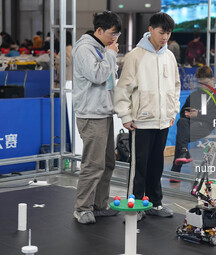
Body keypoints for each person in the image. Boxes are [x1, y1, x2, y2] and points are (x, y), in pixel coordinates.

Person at [114, 12, 181, 221]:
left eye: (168, 33)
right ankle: (133, 206)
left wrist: (173, 111)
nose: (165, 37)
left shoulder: (169, 55)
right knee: (139, 166)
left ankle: (155, 203)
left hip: (163, 121)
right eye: (162, 32)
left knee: (156, 164)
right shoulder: (135, 55)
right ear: (150, 29)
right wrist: (125, 115)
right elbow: (123, 88)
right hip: (140, 121)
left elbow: (176, 86)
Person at [72, 10, 122, 224]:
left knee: (108, 162)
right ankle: (82, 208)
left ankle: (100, 204)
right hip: (91, 115)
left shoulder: (102, 48)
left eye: (117, 35)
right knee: (93, 165)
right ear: (99, 30)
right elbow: (98, 76)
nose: (114, 39)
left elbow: (110, 79)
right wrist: (111, 55)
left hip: (104, 112)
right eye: (112, 34)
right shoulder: (84, 49)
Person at [170, 66, 216, 181]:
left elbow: (214, 116)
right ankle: (183, 152)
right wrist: (188, 113)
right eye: (201, 84)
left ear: (213, 79)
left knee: (182, 135)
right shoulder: (195, 95)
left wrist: (198, 114)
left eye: (206, 83)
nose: (204, 86)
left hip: (206, 125)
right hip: (190, 124)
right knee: (182, 122)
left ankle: (176, 169)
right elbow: (182, 113)